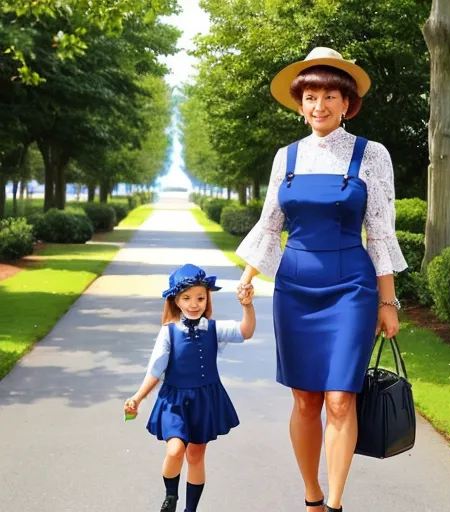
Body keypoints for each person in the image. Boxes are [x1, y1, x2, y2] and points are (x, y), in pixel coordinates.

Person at [235, 47, 407, 512]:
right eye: (311, 96)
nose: (320, 105)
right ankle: (311, 496)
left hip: (352, 287)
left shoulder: (372, 155)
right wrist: (249, 275)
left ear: (347, 103)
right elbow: (271, 224)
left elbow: (380, 232)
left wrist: (386, 303)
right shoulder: (285, 157)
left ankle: (334, 503)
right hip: (294, 288)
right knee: (306, 400)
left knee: (339, 398)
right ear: (299, 103)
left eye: (331, 95)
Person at [124, 264, 256, 512]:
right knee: (175, 451)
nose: (194, 304)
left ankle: (190, 509)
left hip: (205, 399)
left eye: (200, 298)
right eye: (187, 298)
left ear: (207, 299)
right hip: (175, 400)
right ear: (176, 300)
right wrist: (138, 397)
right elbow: (156, 370)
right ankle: (171, 496)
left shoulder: (214, 329)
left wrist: (247, 305)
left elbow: (246, 331)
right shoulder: (168, 332)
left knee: (195, 455)